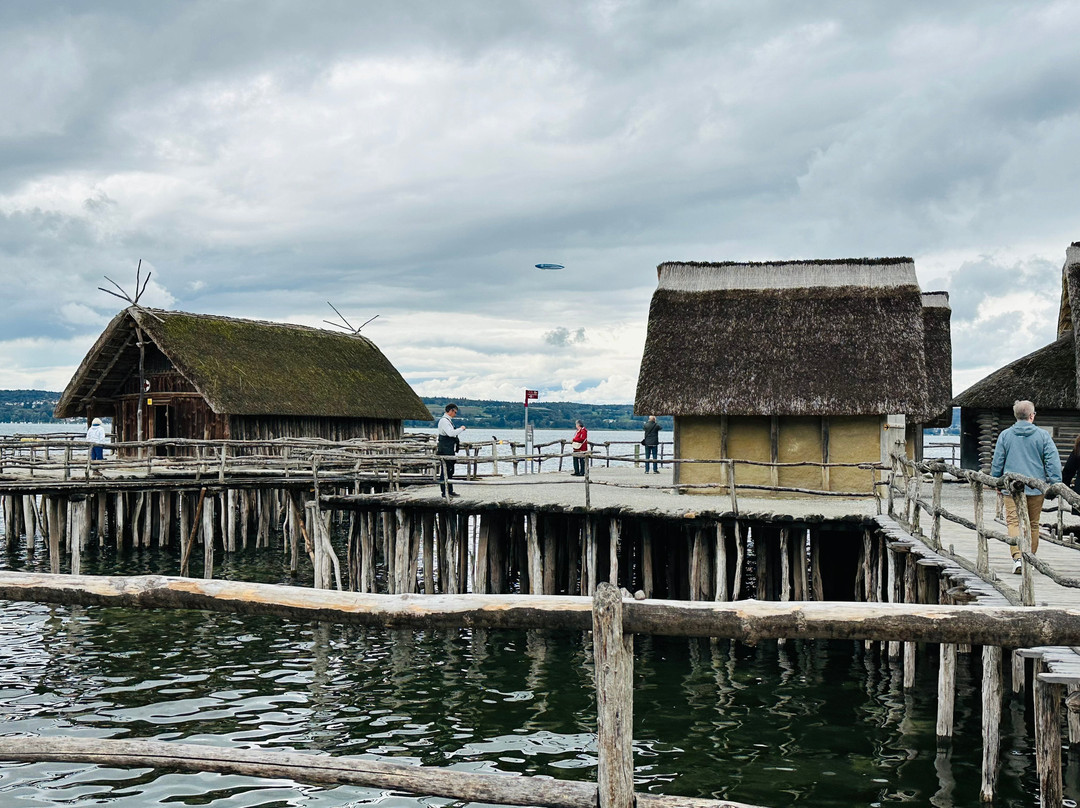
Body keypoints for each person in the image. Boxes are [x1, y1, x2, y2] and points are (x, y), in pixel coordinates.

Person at [990, 399, 1062, 574]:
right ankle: (1030, 556)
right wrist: (1055, 483)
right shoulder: (1043, 436)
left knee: (1014, 522)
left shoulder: (1005, 435)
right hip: (1036, 487)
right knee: (1033, 523)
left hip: (1011, 488)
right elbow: (1052, 461)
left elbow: (998, 460)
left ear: (1016, 416)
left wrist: (996, 480)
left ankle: (1017, 558)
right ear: (1032, 415)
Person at [437, 403, 466, 497]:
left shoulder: (447, 421)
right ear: (450, 411)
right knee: (446, 470)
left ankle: (449, 490)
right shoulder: (444, 421)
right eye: (455, 412)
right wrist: (461, 429)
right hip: (445, 449)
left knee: (449, 470)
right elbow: (450, 433)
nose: (455, 414)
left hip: (448, 448)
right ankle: (445, 491)